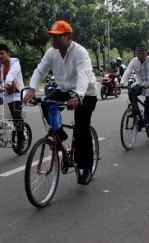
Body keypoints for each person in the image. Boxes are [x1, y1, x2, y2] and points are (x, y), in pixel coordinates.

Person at [23, 20, 97, 185]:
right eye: (51, 36)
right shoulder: (51, 53)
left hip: (86, 93)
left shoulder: (80, 52)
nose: (53, 40)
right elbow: (40, 70)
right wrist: (32, 89)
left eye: (57, 37)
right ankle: (59, 135)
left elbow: (84, 75)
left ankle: (87, 167)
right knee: (46, 103)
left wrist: (77, 96)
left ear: (68, 37)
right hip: (64, 90)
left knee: (81, 129)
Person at [120, 46, 149, 138]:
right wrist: (121, 83)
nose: (140, 55)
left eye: (142, 53)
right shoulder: (134, 61)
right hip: (139, 84)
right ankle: (136, 113)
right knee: (131, 93)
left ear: (147, 53)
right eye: (138, 53)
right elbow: (127, 72)